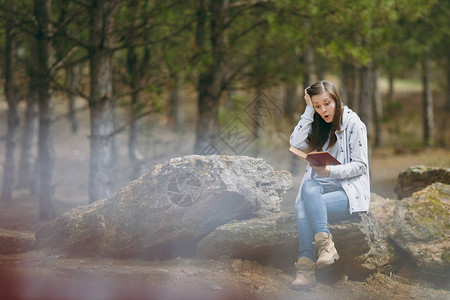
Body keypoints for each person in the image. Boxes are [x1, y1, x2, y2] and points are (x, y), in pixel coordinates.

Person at [289, 80, 370, 289]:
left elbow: (361, 165)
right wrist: (308, 110)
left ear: (336, 99)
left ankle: (306, 266)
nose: (323, 110)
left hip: (347, 191)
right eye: (317, 106)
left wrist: (330, 171)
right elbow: (295, 143)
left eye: (327, 103)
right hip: (320, 188)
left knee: (302, 204)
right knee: (308, 187)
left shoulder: (354, 124)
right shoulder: (317, 122)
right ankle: (325, 248)